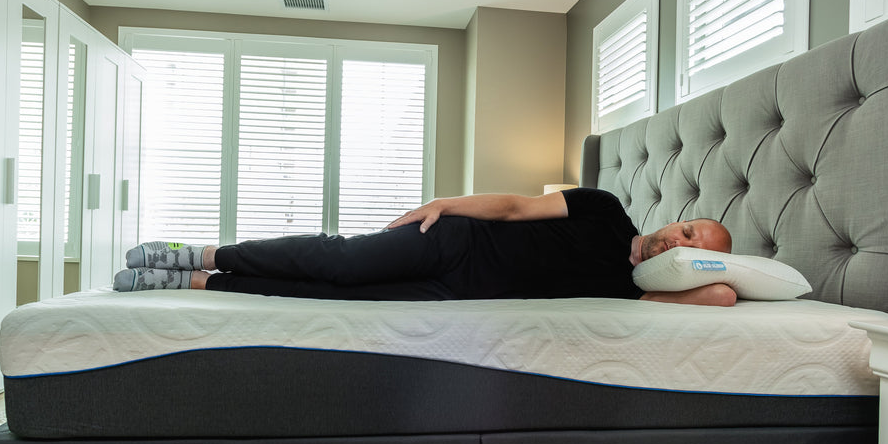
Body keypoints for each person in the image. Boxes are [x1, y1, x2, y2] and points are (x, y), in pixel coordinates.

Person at [113, 187, 736, 306]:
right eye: (687, 229)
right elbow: (516, 206)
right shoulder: (604, 208)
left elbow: (722, 292)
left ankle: (194, 283)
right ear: (675, 220)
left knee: (331, 299)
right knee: (339, 259)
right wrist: (445, 205)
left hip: (450, 293)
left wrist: (703, 266)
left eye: (692, 248)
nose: (677, 243)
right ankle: (200, 254)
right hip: (452, 246)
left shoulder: (634, 291)